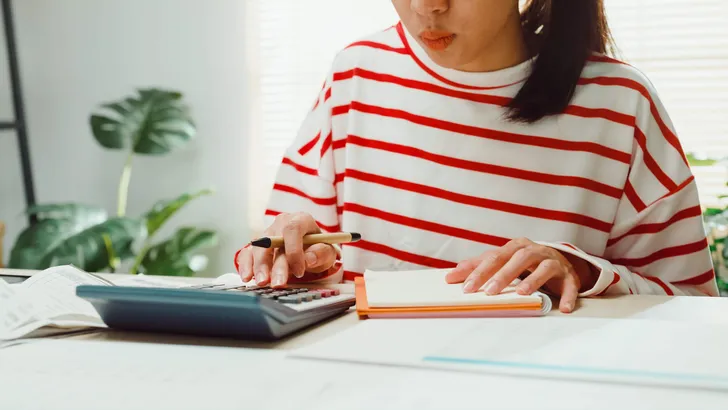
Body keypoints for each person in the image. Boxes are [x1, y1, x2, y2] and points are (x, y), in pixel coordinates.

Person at [235, 0, 719, 313]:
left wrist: (584, 274)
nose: (427, 7)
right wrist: (294, 255)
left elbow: (694, 305)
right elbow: (276, 257)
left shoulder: (619, 102)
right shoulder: (357, 74)